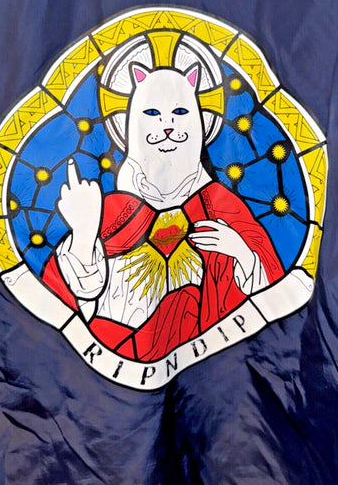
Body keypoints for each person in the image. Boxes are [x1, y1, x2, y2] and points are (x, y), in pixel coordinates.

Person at [41, 62, 284, 361]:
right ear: (132, 124)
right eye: (152, 113)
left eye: (180, 112)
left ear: (198, 123)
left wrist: (241, 253)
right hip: (109, 367)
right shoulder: (110, 209)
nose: (167, 126)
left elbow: (272, 297)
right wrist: (83, 234)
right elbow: (71, 303)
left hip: (215, 367)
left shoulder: (221, 205)